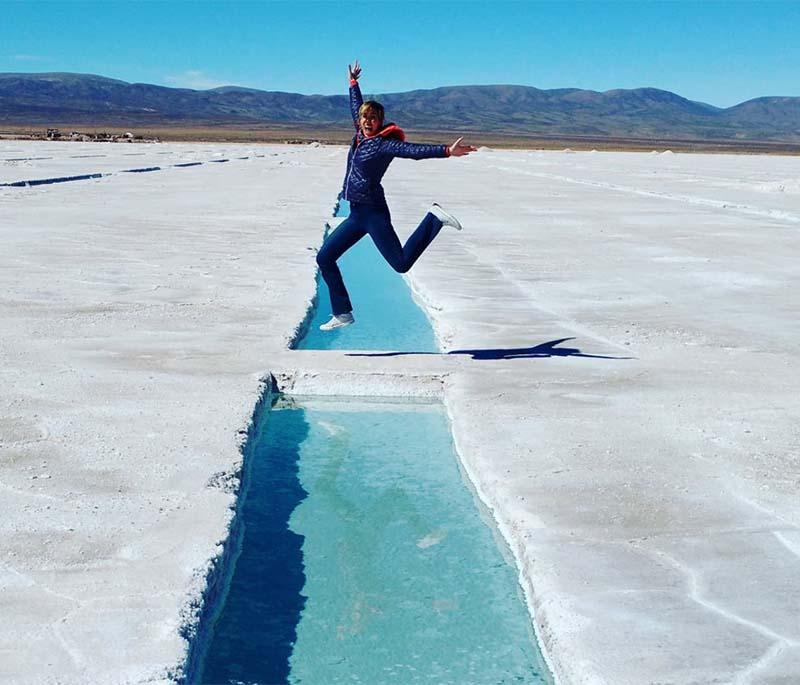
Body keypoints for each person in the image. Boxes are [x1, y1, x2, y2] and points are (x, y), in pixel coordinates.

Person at [316, 60, 477, 331]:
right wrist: (353, 84)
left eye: (373, 118)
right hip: (356, 213)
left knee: (401, 264)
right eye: (365, 118)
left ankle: (434, 219)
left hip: (373, 213)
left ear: (380, 123)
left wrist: (446, 151)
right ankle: (342, 313)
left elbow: (413, 151)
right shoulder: (359, 135)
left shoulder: (384, 145)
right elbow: (356, 107)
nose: (367, 121)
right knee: (325, 258)